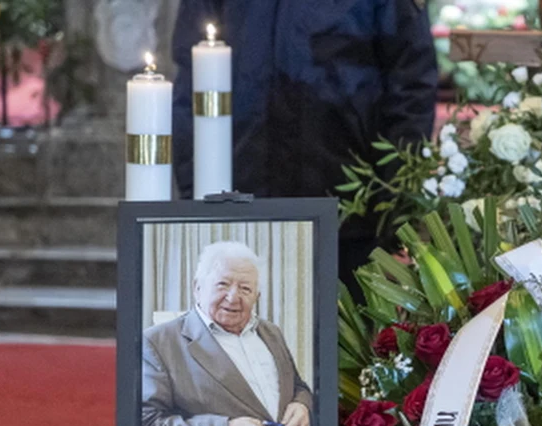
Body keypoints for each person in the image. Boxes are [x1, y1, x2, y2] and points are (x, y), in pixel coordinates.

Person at [170, 0, 439, 289]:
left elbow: (411, 83)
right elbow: (191, 82)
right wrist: (195, 190)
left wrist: (394, 202)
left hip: (347, 212)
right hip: (241, 204)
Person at [142, 241, 313, 426]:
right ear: (197, 288)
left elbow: (297, 386)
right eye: (222, 284)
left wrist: (303, 406)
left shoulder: (271, 333)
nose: (233, 297)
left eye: (245, 289)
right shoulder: (158, 343)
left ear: (257, 297)